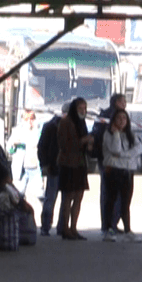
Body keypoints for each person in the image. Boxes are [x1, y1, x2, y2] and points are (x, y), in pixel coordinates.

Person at [100, 109, 142, 243]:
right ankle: (108, 229)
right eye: (119, 118)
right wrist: (117, 134)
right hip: (113, 170)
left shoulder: (131, 134)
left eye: (124, 118)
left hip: (127, 171)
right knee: (111, 201)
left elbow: (138, 149)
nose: (122, 121)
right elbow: (115, 149)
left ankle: (127, 230)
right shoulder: (109, 134)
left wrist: (124, 156)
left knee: (126, 202)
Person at [56, 97, 93, 241]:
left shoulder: (82, 123)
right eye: (80, 109)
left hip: (80, 164)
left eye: (85, 109)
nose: (83, 111)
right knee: (68, 197)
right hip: (68, 163)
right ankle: (65, 228)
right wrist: (83, 141)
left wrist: (89, 145)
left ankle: (73, 228)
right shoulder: (65, 122)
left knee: (78, 197)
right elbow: (64, 144)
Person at [92, 93, 128, 235]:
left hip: (108, 157)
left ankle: (108, 223)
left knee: (108, 192)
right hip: (111, 158)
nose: (125, 104)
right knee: (113, 192)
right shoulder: (110, 116)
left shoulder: (107, 114)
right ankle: (110, 223)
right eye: (123, 101)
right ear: (116, 102)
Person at [37, 103, 67, 236]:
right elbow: (42, 147)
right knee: (52, 197)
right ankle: (47, 225)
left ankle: (59, 226)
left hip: (65, 166)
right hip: (55, 166)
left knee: (60, 198)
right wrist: (44, 164)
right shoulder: (51, 126)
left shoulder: (51, 125)